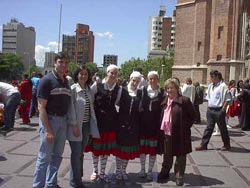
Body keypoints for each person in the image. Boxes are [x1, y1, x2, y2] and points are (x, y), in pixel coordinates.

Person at [33, 52, 71, 188]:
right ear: (55, 63)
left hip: (63, 121)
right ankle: (37, 185)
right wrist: (48, 130)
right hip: (50, 120)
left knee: (57, 156)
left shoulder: (65, 81)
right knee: (44, 158)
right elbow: (41, 107)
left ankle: (51, 183)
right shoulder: (47, 80)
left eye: (66, 62)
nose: (63, 65)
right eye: (61, 62)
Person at [85, 64, 121, 183]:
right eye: (111, 72)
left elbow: (116, 103)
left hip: (110, 124)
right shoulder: (97, 86)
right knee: (96, 149)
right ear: (107, 73)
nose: (113, 75)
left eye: (116, 73)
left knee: (105, 150)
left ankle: (102, 172)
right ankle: (95, 171)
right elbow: (90, 99)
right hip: (98, 122)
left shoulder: (118, 89)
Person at [157, 78, 195, 186]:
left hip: (181, 133)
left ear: (177, 88)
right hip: (167, 133)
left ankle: (179, 175)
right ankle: (165, 172)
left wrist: (185, 127)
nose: (169, 90)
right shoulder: (164, 101)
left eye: (172, 88)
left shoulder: (184, 101)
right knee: (167, 154)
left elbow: (193, 116)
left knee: (180, 155)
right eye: (167, 88)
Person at [67, 65, 100, 188]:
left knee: (80, 153)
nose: (83, 76)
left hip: (86, 126)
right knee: (76, 154)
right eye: (81, 74)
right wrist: (74, 125)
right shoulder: (73, 89)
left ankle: (77, 179)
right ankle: (74, 183)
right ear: (77, 75)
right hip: (75, 126)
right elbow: (70, 109)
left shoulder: (88, 89)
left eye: (85, 74)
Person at [115, 71, 142, 181]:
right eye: (133, 80)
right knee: (120, 148)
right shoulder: (122, 90)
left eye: (137, 81)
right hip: (121, 123)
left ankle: (123, 170)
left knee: (127, 149)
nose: (135, 83)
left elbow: (140, 108)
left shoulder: (140, 93)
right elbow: (116, 103)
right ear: (130, 79)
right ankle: (117, 170)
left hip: (133, 125)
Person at [195, 70, 232, 151]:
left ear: (217, 77)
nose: (211, 78)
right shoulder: (210, 86)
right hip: (211, 110)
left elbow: (228, 99)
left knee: (222, 128)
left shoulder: (223, 86)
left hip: (219, 110)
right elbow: (208, 98)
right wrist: (208, 108)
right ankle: (203, 144)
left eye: (212, 77)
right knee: (209, 128)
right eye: (210, 76)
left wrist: (223, 110)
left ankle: (226, 144)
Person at [139, 71, 164, 181]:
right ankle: (142, 169)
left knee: (152, 150)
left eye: (154, 78)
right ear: (148, 80)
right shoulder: (143, 91)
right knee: (143, 149)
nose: (152, 81)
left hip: (155, 125)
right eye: (150, 79)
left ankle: (150, 171)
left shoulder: (162, 92)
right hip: (144, 124)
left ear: (158, 79)